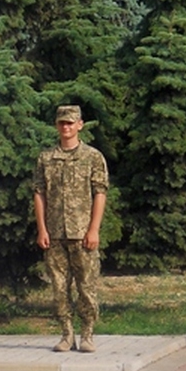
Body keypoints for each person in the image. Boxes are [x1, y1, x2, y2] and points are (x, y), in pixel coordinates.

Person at [34, 105, 109, 354]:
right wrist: (42, 229)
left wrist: (94, 229)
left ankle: (87, 334)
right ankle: (67, 334)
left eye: (70, 123)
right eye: (62, 123)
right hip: (55, 234)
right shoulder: (46, 158)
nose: (66, 127)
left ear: (80, 125)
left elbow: (100, 193)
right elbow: (39, 194)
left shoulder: (92, 157)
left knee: (86, 287)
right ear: (57, 125)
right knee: (59, 288)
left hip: (82, 233)